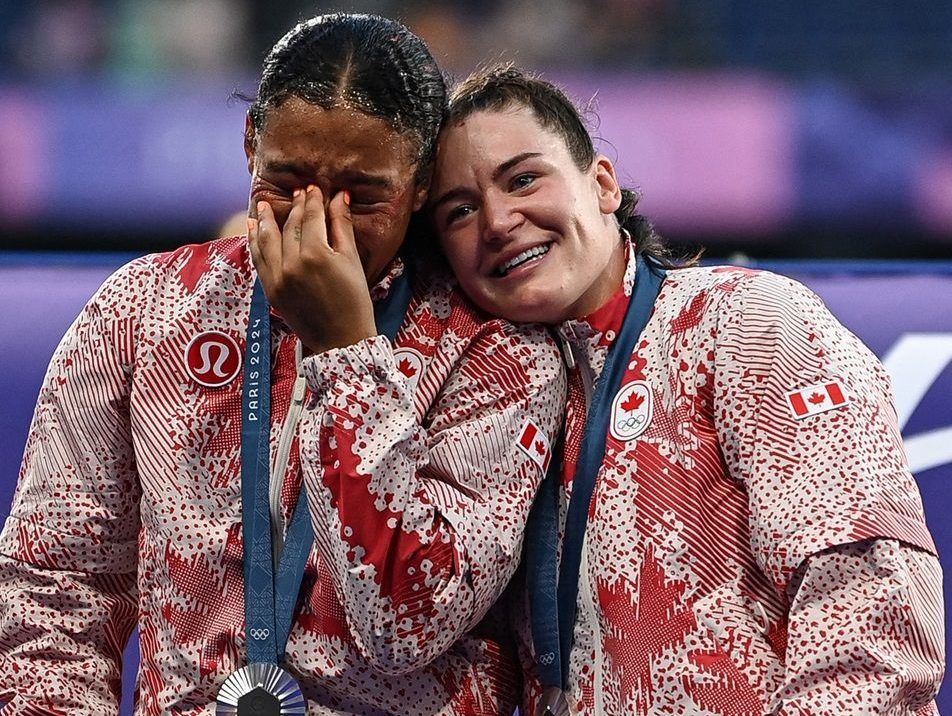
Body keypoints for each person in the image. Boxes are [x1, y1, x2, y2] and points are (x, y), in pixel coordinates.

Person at [0, 21, 566, 714]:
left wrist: (344, 351)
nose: (317, 222)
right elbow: (54, 591)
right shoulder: (143, 312)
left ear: (420, 184)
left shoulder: (499, 354)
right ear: (249, 146)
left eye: (361, 195)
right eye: (286, 180)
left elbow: (405, 621)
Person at [429, 64, 945, 715]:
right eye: (460, 211)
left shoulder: (745, 321)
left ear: (603, 185)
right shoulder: (493, 410)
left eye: (524, 179)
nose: (499, 220)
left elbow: (870, 618)